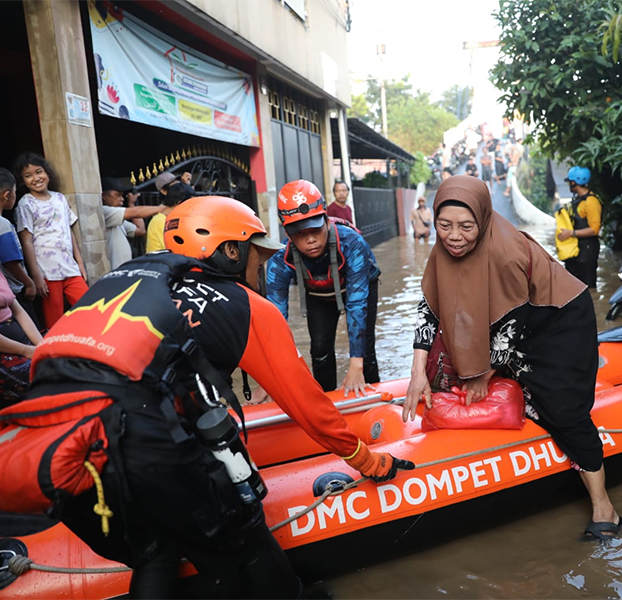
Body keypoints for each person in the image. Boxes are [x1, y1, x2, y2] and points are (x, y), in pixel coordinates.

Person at [15, 196, 412, 598]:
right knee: (245, 534)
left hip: (58, 457)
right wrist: (367, 459)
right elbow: (309, 406)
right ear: (231, 250)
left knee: (156, 551)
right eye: (257, 253)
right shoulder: (245, 306)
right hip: (138, 446)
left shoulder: (123, 278)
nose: (262, 265)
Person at [402, 176, 622, 539]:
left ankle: (605, 508)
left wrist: (482, 374)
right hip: (513, 325)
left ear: (484, 220)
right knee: (484, 384)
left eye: (466, 227)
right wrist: (416, 371)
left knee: (564, 410)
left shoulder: (505, 252)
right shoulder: (444, 249)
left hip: (556, 321)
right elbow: (429, 307)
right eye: (444, 226)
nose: (454, 236)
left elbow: (510, 328)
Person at [267, 179, 381, 395]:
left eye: (315, 230)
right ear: (289, 234)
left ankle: (373, 398)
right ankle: (326, 399)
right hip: (318, 293)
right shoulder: (280, 258)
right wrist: (271, 375)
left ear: (327, 222)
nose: (310, 240)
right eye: (300, 233)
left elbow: (356, 304)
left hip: (359, 285)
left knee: (365, 350)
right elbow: (275, 319)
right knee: (319, 351)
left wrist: (356, 365)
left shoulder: (352, 243)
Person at [13, 152, 88, 328]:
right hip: (47, 272)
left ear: (47, 172)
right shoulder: (26, 204)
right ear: (22, 181)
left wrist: (80, 264)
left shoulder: (60, 198)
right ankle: (56, 354)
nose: (36, 178)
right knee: (55, 322)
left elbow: (69, 232)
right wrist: (36, 275)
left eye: (39, 172)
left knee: (89, 308)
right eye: (28, 176)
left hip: (70, 268)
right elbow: (26, 241)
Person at [101, 177, 165, 269]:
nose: (122, 199)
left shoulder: (117, 219)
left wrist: (131, 204)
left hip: (123, 270)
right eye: (117, 195)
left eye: (122, 196)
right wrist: (162, 208)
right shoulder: (104, 212)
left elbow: (140, 230)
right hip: (115, 271)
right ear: (104, 195)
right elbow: (134, 212)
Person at [0, 270, 41, 408]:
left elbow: (18, 311)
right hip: (8, 353)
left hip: (21, 342)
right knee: (44, 373)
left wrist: (42, 345)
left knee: (65, 349)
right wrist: (27, 351)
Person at [556, 166, 602, 288]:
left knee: (587, 286)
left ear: (574, 182)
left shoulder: (591, 202)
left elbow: (594, 229)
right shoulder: (578, 200)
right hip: (578, 248)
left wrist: (571, 233)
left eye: (569, 182)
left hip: (588, 248)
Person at [0, 168, 36, 319]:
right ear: (7, 195)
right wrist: (29, 283)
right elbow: (11, 262)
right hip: (13, 291)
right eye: (15, 191)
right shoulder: (3, 225)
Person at [146, 182, 195, 253]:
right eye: (190, 205)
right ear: (179, 203)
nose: (192, 209)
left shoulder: (172, 219)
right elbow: (175, 249)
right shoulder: (160, 222)